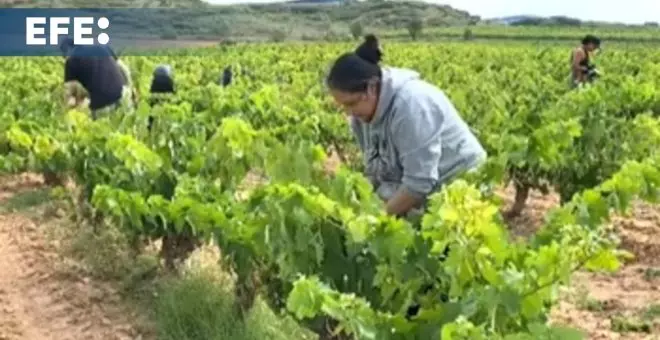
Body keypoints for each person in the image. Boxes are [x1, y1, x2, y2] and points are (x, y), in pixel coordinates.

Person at [326, 50, 487, 219]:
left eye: (351, 103)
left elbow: (419, 183)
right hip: (424, 183)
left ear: (372, 87)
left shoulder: (411, 106)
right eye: (342, 106)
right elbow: (376, 170)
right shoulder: (361, 115)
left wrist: (378, 219)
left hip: (460, 182)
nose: (349, 113)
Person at [60, 37, 133, 120]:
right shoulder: (101, 46)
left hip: (102, 106)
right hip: (123, 95)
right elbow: (124, 69)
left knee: (105, 131)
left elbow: (69, 95)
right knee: (129, 130)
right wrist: (130, 89)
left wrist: (65, 113)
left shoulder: (71, 60)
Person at [148, 64, 175, 130]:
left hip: (155, 103)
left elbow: (151, 93)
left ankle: (151, 127)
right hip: (166, 104)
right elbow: (172, 93)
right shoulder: (169, 81)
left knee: (152, 114)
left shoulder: (155, 81)